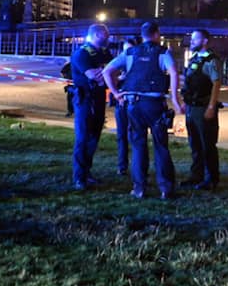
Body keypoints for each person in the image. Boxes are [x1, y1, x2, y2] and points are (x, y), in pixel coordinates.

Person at [103, 22, 184, 200]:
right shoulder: (163, 52)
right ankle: (166, 189)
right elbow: (174, 73)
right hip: (154, 104)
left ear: (142, 35)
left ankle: (139, 188)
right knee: (161, 146)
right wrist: (176, 101)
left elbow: (107, 71)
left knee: (138, 146)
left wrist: (116, 93)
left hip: (134, 105)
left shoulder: (130, 52)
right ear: (156, 34)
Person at [69, 24, 113, 190]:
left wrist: (106, 73)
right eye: (105, 35)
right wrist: (106, 73)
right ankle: (79, 177)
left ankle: (87, 173)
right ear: (97, 35)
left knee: (94, 137)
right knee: (83, 138)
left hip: (99, 99)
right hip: (85, 100)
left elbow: (115, 71)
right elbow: (94, 76)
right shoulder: (81, 54)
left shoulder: (103, 52)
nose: (108, 38)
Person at [180, 29, 222, 191]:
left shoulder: (212, 60)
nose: (192, 41)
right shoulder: (194, 59)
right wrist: (185, 102)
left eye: (195, 39)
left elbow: (216, 84)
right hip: (192, 106)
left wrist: (211, 106)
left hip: (204, 108)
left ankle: (211, 178)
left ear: (205, 41)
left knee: (207, 145)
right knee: (195, 144)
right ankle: (196, 175)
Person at [109, 37, 139, 176]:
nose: (125, 53)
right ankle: (122, 166)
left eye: (129, 49)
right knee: (122, 136)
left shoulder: (141, 65)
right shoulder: (120, 63)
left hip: (137, 104)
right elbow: (108, 74)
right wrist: (116, 89)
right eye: (124, 49)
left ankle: (138, 166)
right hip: (122, 104)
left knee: (136, 136)